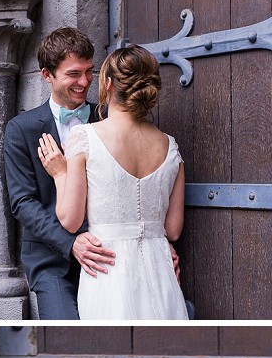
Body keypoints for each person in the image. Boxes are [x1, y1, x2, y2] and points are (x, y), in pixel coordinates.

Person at [36, 45, 187, 320]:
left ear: (108, 84)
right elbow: (173, 230)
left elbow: (71, 220)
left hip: (107, 268)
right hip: (160, 268)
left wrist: (60, 174)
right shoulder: (171, 146)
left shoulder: (84, 137)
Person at [3, 28, 118, 320]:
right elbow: (22, 202)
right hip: (51, 260)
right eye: (73, 74)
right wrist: (71, 244)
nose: (84, 82)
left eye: (90, 71)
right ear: (47, 75)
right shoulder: (22, 129)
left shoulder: (107, 119)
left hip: (109, 252)